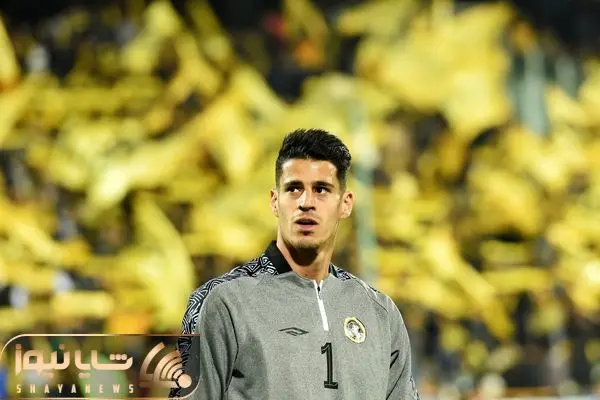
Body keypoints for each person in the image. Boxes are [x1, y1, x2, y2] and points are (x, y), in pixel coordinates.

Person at [171, 129, 419, 399]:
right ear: (275, 201)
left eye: (321, 190)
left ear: (345, 204)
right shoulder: (220, 302)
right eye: (293, 189)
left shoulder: (381, 314)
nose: (306, 202)